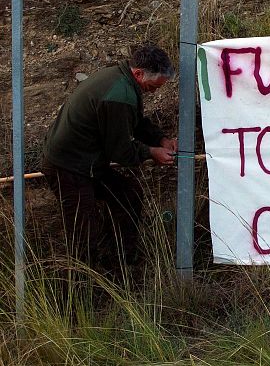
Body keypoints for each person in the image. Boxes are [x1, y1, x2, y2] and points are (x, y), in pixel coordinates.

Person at [41, 44, 177, 268]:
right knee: (83, 232)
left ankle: (122, 264)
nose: (154, 92)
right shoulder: (119, 94)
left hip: (89, 161)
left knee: (128, 195)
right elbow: (121, 151)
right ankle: (82, 288)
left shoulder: (122, 80)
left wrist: (160, 139)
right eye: (153, 87)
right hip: (68, 167)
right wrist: (152, 152)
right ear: (139, 73)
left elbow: (134, 122)